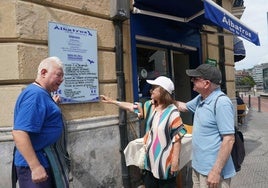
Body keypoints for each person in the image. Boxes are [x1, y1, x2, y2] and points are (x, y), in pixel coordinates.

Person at [100, 76, 187, 188]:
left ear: (163, 91)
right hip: (149, 162)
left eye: (154, 88)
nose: (151, 90)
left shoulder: (173, 112)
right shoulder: (149, 106)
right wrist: (112, 101)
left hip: (165, 164)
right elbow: (131, 107)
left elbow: (177, 138)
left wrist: (175, 162)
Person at [12, 56, 69, 188]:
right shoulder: (35, 95)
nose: (62, 80)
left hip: (44, 160)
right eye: (58, 75)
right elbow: (19, 133)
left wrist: (52, 105)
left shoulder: (42, 94)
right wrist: (36, 166)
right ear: (43, 73)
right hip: (35, 164)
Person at [177, 64, 236, 188]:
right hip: (199, 167)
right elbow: (184, 107)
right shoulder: (201, 98)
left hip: (212, 172)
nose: (192, 80)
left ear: (206, 83)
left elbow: (229, 139)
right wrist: (165, 99)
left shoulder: (221, 103)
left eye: (195, 78)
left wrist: (216, 171)